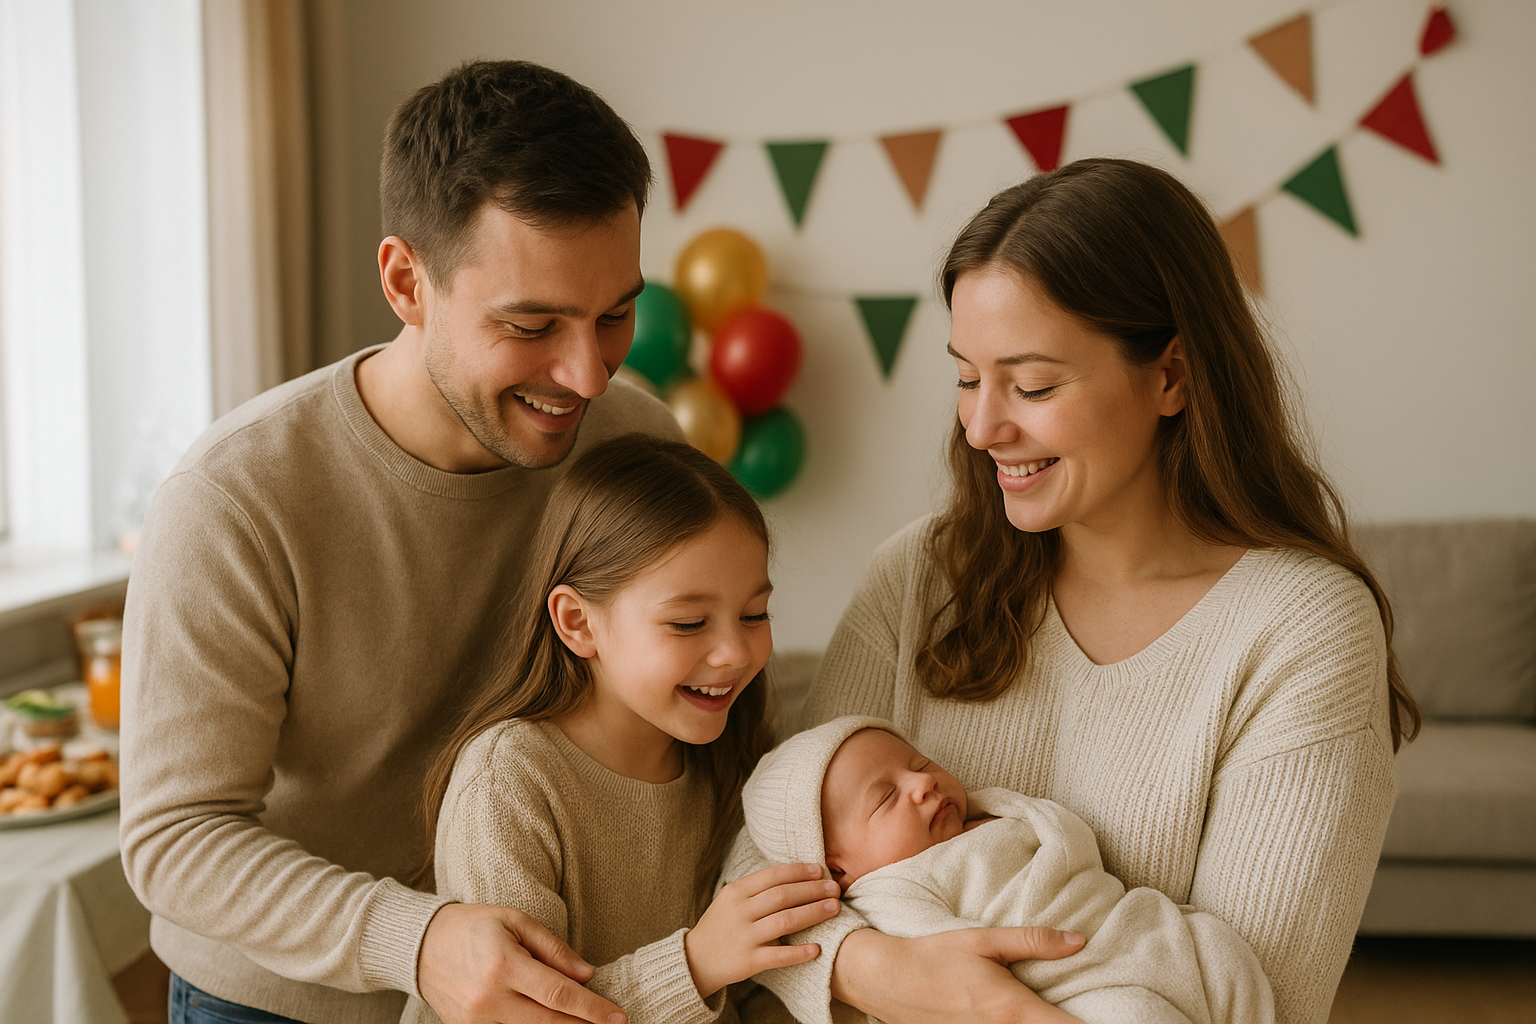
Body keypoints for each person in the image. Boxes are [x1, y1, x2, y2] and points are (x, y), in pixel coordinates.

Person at [722, 157, 1419, 1024]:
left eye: (1034, 384)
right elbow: (761, 861)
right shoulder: (920, 574)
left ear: (1172, 375)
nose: (982, 427)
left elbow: (1260, 999)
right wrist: (880, 974)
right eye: (968, 378)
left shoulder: (1302, 631)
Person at [120, 60, 699, 1024]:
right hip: (279, 1002)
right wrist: (418, 938)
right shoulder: (234, 497)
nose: (587, 374)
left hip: (559, 975)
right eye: (531, 323)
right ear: (405, 282)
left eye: (614, 316)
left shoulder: (639, 447)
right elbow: (177, 837)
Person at [400, 434, 841, 1024]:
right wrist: (696, 964)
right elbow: (523, 1013)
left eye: (754, 614)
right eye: (688, 623)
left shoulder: (735, 756)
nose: (735, 652)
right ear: (577, 622)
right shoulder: (506, 783)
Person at [742, 717, 1274, 1024]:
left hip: (1141, 933)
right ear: (838, 870)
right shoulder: (890, 889)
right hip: (1067, 992)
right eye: (885, 798)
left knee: (1227, 955)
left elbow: (1070, 843)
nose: (921, 785)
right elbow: (941, 962)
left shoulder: (991, 810)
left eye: (920, 764)